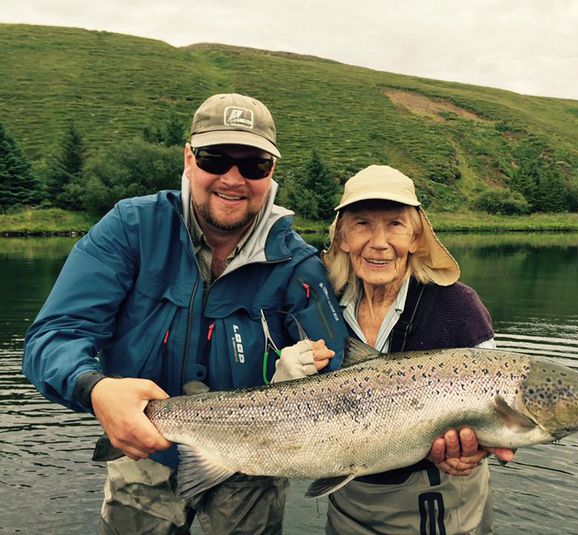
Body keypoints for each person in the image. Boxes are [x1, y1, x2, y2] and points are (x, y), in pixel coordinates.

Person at [22, 93, 347, 534]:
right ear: (189, 159)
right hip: (144, 450)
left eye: (253, 165)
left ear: (271, 172)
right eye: (216, 159)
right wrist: (96, 390)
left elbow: (344, 375)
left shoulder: (298, 264)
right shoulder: (131, 228)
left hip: (252, 459)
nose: (233, 179)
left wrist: (303, 376)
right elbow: (55, 336)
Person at [321, 165, 514, 534]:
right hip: (348, 501)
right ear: (342, 237)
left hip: (441, 506)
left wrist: (478, 450)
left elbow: (504, 403)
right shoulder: (323, 306)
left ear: (415, 237)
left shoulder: (459, 307)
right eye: (362, 224)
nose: (379, 242)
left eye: (395, 224)